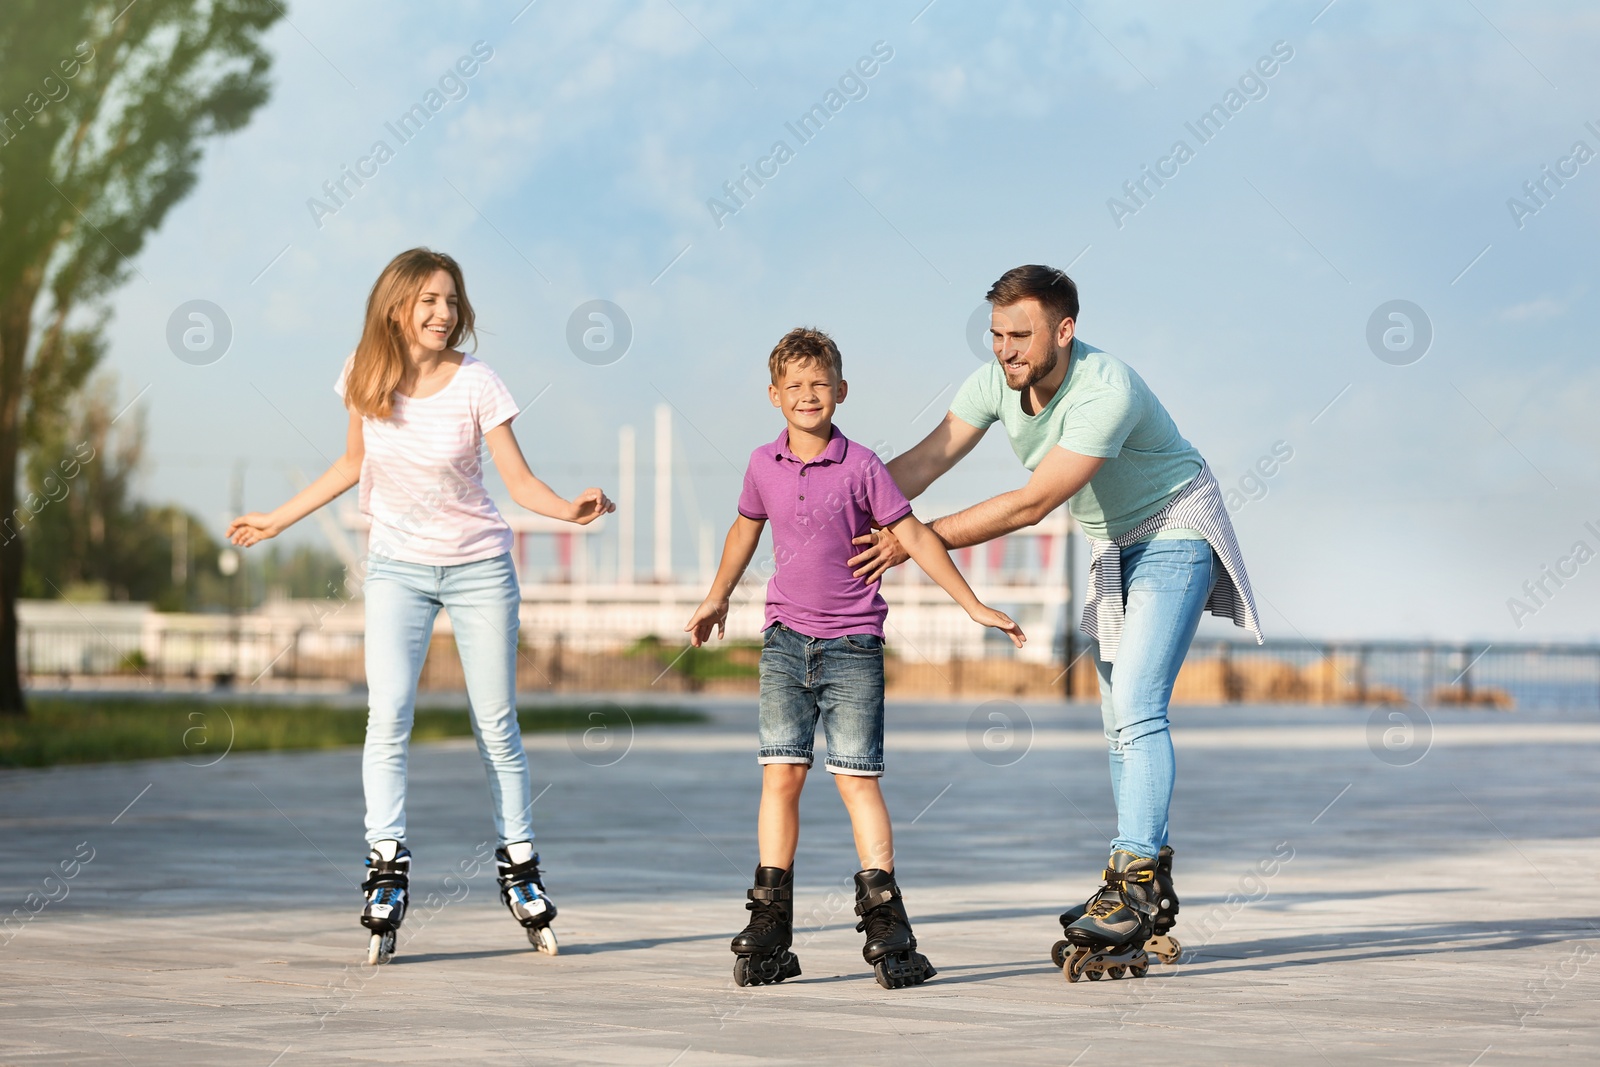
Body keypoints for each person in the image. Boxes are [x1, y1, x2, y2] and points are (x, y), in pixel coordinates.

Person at [847, 264, 1261, 981]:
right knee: (1116, 719)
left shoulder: (1107, 388)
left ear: (1064, 331)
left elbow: (1034, 503)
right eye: (996, 335)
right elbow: (923, 461)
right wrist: (838, 494)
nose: (1004, 350)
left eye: (1020, 335)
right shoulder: (992, 385)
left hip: (1175, 528)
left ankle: (1131, 883)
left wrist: (917, 538)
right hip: (1114, 541)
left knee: (1137, 704)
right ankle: (1147, 890)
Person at [226, 248, 614, 965]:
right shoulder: (364, 374)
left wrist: (569, 509)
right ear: (397, 306)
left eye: (452, 300)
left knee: (496, 721)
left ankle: (519, 863)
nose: (444, 313)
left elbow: (520, 483)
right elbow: (352, 464)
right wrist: (277, 519)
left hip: (478, 567)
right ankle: (386, 863)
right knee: (389, 712)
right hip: (398, 568)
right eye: (429, 300)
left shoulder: (478, 383)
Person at [685, 327, 1025, 990]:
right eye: (795, 386)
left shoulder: (864, 465)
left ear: (841, 391)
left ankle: (886, 925)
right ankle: (768, 926)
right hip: (785, 642)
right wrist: (715, 596)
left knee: (855, 779)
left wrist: (974, 604)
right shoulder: (761, 463)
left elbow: (916, 537)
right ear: (774, 395)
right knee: (779, 777)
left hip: (853, 647)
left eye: (820, 385)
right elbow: (743, 530)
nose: (808, 396)